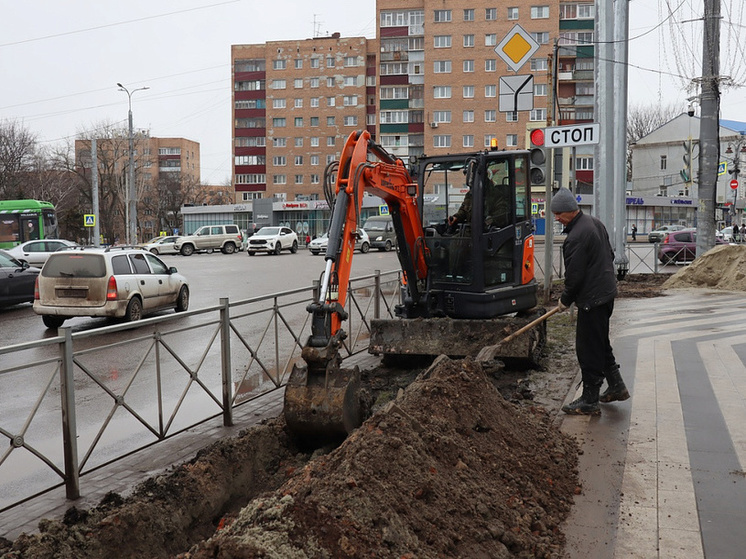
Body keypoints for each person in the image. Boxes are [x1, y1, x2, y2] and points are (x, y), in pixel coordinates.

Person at [551, 188, 629, 415]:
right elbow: (610, 255)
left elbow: (574, 276)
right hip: (605, 295)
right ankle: (616, 386)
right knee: (600, 344)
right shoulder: (595, 223)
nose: (556, 218)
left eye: (558, 214)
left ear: (569, 211)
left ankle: (589, 400)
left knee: (588, 350)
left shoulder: (576, 237)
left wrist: (565, 300)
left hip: (592, 300)